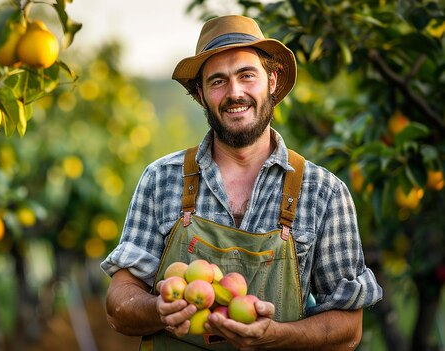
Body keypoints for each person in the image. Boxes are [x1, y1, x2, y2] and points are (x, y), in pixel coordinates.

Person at [100, 14, 382, 350]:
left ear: (272, 80)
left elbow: (349, 328)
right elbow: (119, 304)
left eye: (247, 76)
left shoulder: (323, 192)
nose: (235, 93)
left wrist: (277, 337)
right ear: (200, 94)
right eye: (218, 81)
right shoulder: (161, 180)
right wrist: (158, 310)